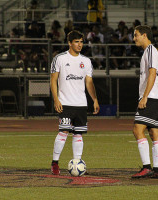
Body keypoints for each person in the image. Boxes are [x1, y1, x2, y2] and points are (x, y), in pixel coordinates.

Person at [50, 30, 100, 175]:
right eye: (76, 42)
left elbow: (89, 82)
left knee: (78, 134)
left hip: (81, 104)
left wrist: (95, 100)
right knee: (64, 132)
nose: (80, 45)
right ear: (69, 43)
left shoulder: (86, 61)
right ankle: (55, 162)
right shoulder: (59, 59)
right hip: (65, 102)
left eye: (81, 42)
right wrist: (56, 99)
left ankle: (77, 162)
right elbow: (53, 80)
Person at [131, 25, 158, 179]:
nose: (134, 38)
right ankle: (156, 170)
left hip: (150, 97)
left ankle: (146, 168)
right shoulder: (150, 51)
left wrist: (144, 97)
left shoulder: (150, 50)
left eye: (136, 35)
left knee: (137, 130)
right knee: (154, 133)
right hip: (156, 97)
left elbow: (152, 74)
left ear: (144, 35)